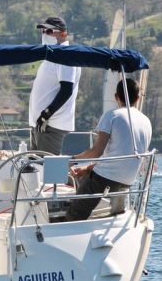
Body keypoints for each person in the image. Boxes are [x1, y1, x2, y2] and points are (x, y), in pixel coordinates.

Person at [65, 79, 152, 222]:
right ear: (137, 98)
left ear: (116, 96)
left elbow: (96, 152)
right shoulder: (146, 121)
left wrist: (72, 160)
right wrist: (87, 168)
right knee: (86, 178)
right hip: (128, 180)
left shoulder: (112, 116)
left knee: (75, 213)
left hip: (105, 179)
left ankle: (71, 224)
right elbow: (120, 155)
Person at [28, 16, 81, 155]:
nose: (45, 34)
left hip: (50, 125)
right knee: (35, 166)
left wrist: (46, 114)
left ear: (63, 34)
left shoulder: (65, 55)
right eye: (43, 31)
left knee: (47, 167)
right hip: (40, 125)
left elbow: (66, 89)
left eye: (49, 31)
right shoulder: (52, 55)